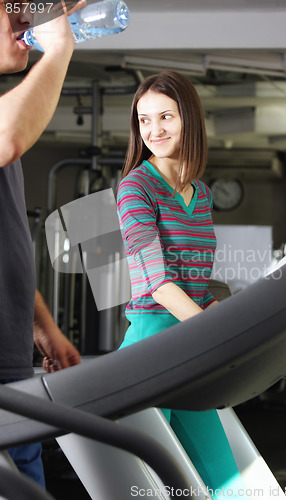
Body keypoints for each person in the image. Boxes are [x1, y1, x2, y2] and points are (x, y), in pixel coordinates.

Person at [117, 71, 246, 499]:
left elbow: (196, 285)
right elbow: (159, 282)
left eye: (166, 117)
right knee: (144, 488)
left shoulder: (201, 194)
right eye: (144, 120)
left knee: (227, 483)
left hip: (189, 348)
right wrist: (215, 336)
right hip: (151, 349)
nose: (153, 130)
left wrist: (238, 328)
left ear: (188, 118)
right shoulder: (135, 187)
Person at [0, 0, 85, 487]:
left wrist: (42, 325)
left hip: (11, 366)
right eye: (9, 9)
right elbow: (6, 137)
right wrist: (59, 49)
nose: (24, 19)